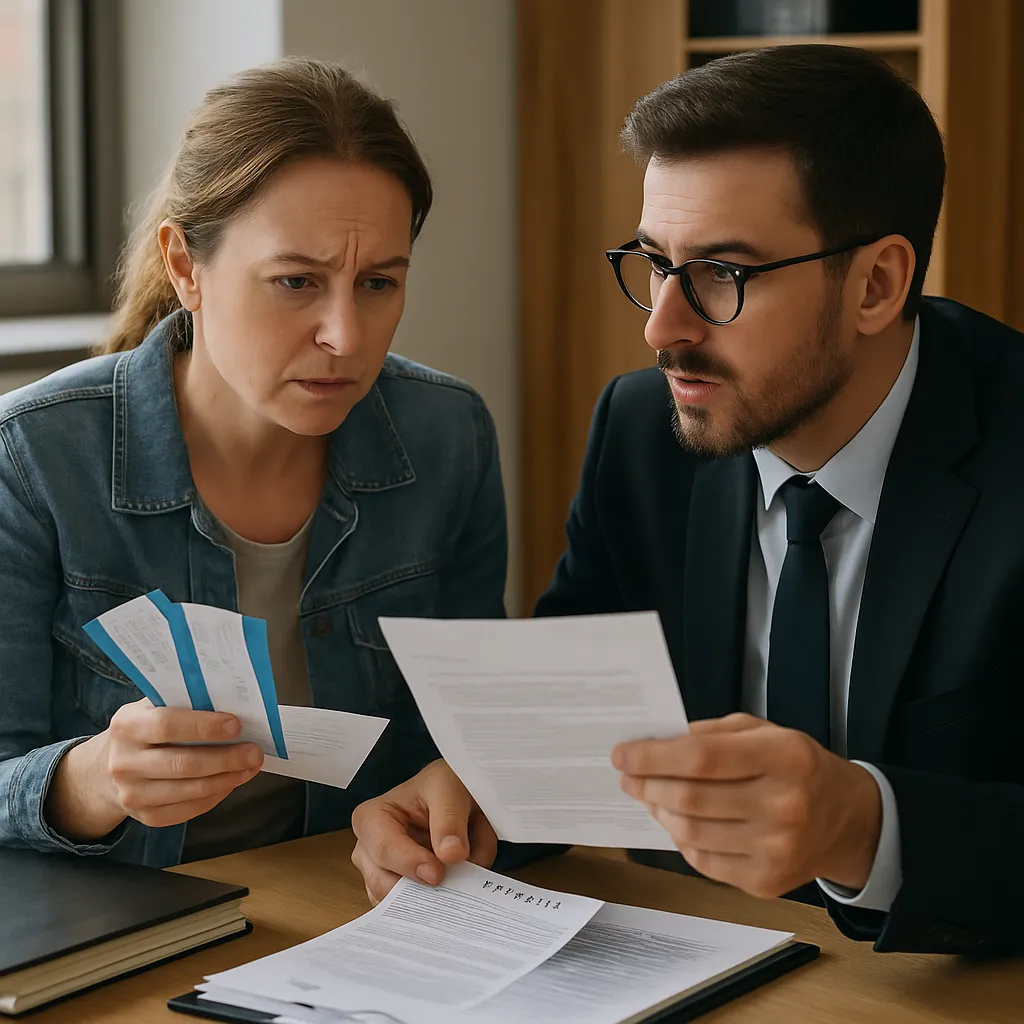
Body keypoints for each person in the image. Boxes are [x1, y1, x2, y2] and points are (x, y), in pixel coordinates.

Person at [350, 44, 1024, 955]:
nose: (661, 326)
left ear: (877, 283)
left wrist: (865, 829)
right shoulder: (644, 432)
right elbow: (577, 717)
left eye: (723, 275)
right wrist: (477, 793)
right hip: (697, 966)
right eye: (655, 262)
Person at [0, 58, 510, 868]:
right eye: (295, 281)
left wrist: (446, 792)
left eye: (378, 282)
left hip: (355, 913)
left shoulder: (450, 436)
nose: (345, 335)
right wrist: (91, 780)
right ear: (184, 266)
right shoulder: (31, 456)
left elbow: (472, 731)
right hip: (118, 933)